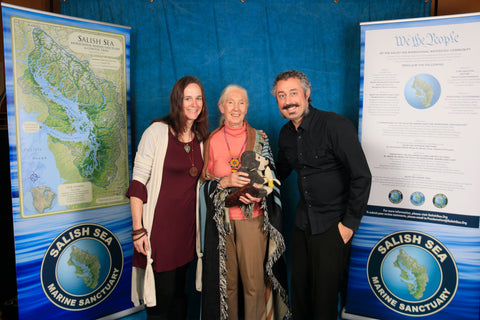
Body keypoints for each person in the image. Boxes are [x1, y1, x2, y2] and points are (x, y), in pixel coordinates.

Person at [271, 70, 372, 320]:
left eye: (293, 93)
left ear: (307, 93)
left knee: (325, 298)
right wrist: (257, 153)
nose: (288, 101)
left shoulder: (335, 125)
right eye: (281, 96)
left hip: (333, 225)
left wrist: (349, 225)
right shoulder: (285, 134)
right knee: (300, 292)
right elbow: (279, 173)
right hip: (303, 224)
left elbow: (362, 176)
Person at [197, 84, 290, 320]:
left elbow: (272, 177)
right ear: (221, 106)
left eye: (241, 102)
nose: (236, 108)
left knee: (254, 284)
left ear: (247, 107)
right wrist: (225, 181)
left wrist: (259, 191)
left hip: (253, 220)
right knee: (227, 287)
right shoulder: (209, 141)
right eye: (230, 102)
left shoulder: (260, 138)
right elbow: (202, 184)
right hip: (222, 224)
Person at [126, 75, 209, 320]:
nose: (194, 104)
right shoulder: (157, 132)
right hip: (158, 232)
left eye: (198, 98)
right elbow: (138, 184)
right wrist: (138, 230)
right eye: (188, 98)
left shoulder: (201, 139)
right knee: (162, 300)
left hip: (186, 232)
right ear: (177, 101)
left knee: (179, 296)